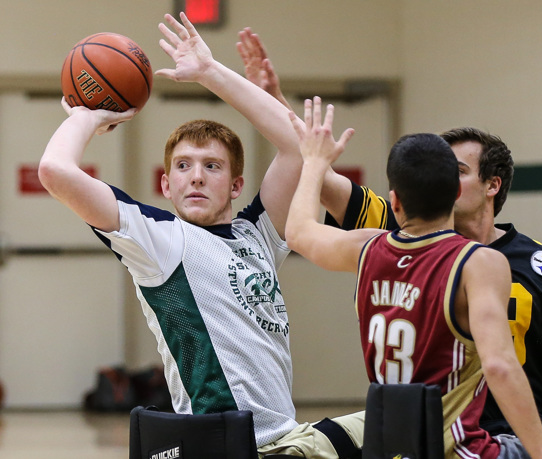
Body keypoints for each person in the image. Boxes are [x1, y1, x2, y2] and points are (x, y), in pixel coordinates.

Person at [234, 29, 542, 459]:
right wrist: (273, 100)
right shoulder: (404, 237)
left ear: (492, 185)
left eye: (455, 167)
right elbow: (320, 168)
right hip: (465, 429)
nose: (439, 174)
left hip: (532, 417)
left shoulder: (538, 267)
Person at [39, 12, 363, 458]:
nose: (196, 177)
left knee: (402, 423)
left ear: (235, 185)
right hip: (226, 446)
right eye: (183, 166)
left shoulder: (260, 234)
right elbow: (55, 171)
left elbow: (296, 143)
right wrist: (86, 115)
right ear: (166, 185)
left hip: (288, 438)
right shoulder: (158, 239)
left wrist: (211, 72)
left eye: (211, 167)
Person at [285, 97, 542, 459]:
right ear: (452, 193)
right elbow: (499, 366)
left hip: (399, 439)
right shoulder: (477, 262)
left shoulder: (370, 247)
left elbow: (299, 231)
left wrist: (314, 163)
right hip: (462, 445)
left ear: (395, 201)